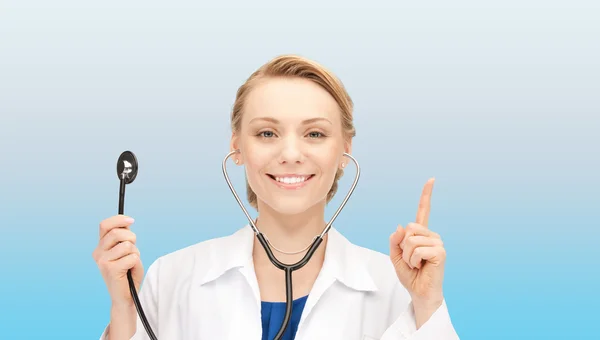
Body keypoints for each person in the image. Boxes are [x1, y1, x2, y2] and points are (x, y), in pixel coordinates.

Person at [93, 54, 460, 340]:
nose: (290, 153)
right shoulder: (172, 277)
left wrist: (427, 303)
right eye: (267, 133)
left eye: (314, 134)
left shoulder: (395, 285)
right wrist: (125, 307)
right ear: (237, 147)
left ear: (344, 149)